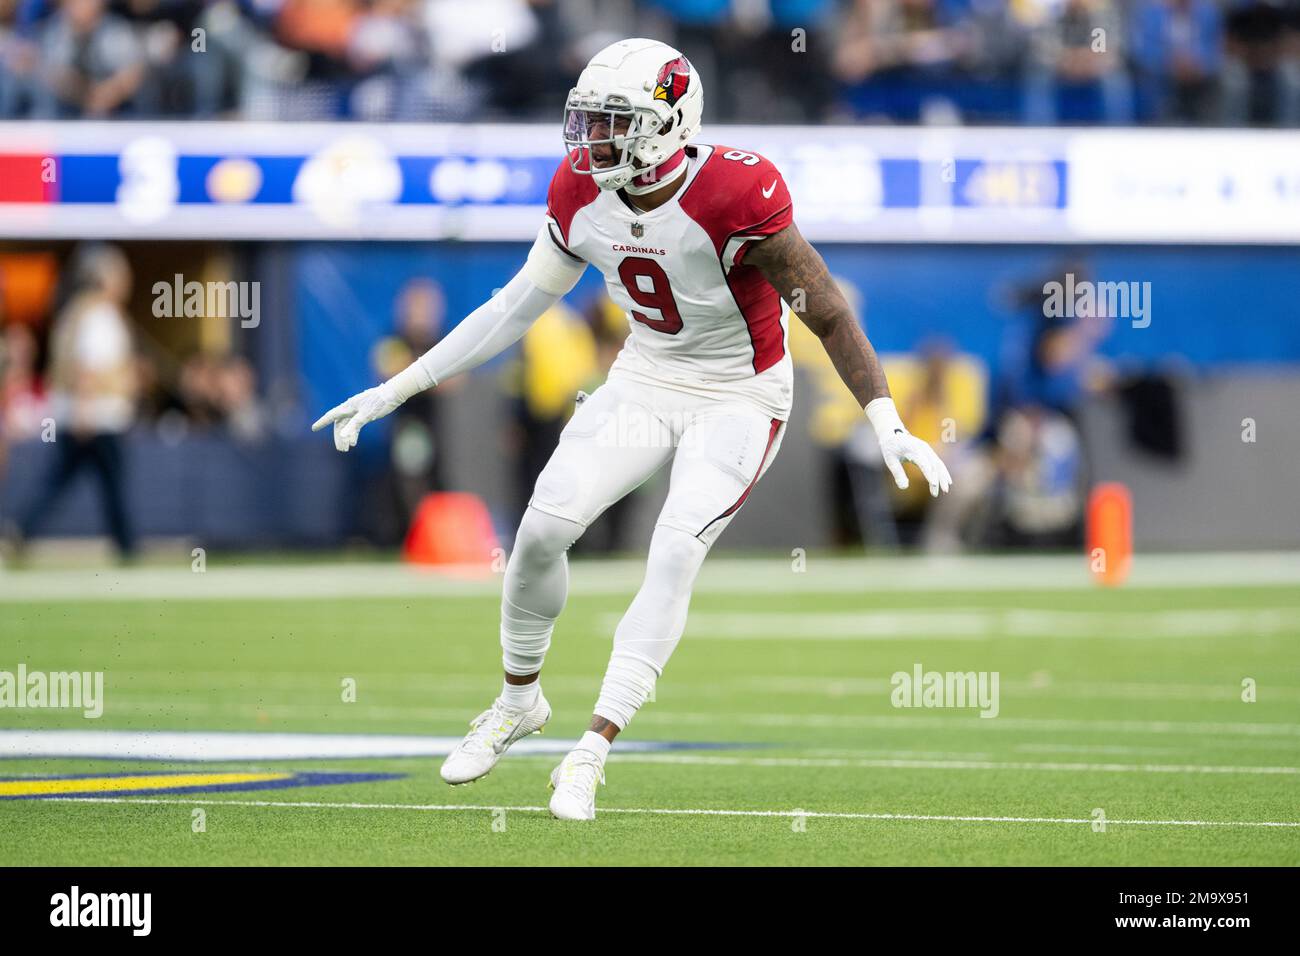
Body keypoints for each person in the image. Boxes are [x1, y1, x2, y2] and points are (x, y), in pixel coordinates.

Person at [313, 38, 952, 821]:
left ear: (668, 124)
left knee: (677, 544)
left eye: (614, 122)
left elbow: (825, 309)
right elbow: (516, 307)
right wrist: (396, 387)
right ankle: (518, 702)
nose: (593, 140)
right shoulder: (581, 191)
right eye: (589, 119)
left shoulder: (736, 192)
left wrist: (884, 417)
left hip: (740, 392)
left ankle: (592, 750)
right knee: (543, 528)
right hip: (646, 376)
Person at [17, 243, 138, 559]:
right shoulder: (98, 314)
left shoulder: (75, 312)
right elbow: (87, 367)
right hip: (97, 417)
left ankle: (24, 529)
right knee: (110, 483)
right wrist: (85, 411)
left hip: (82, 415)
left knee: (63, 479)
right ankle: (126, 545)